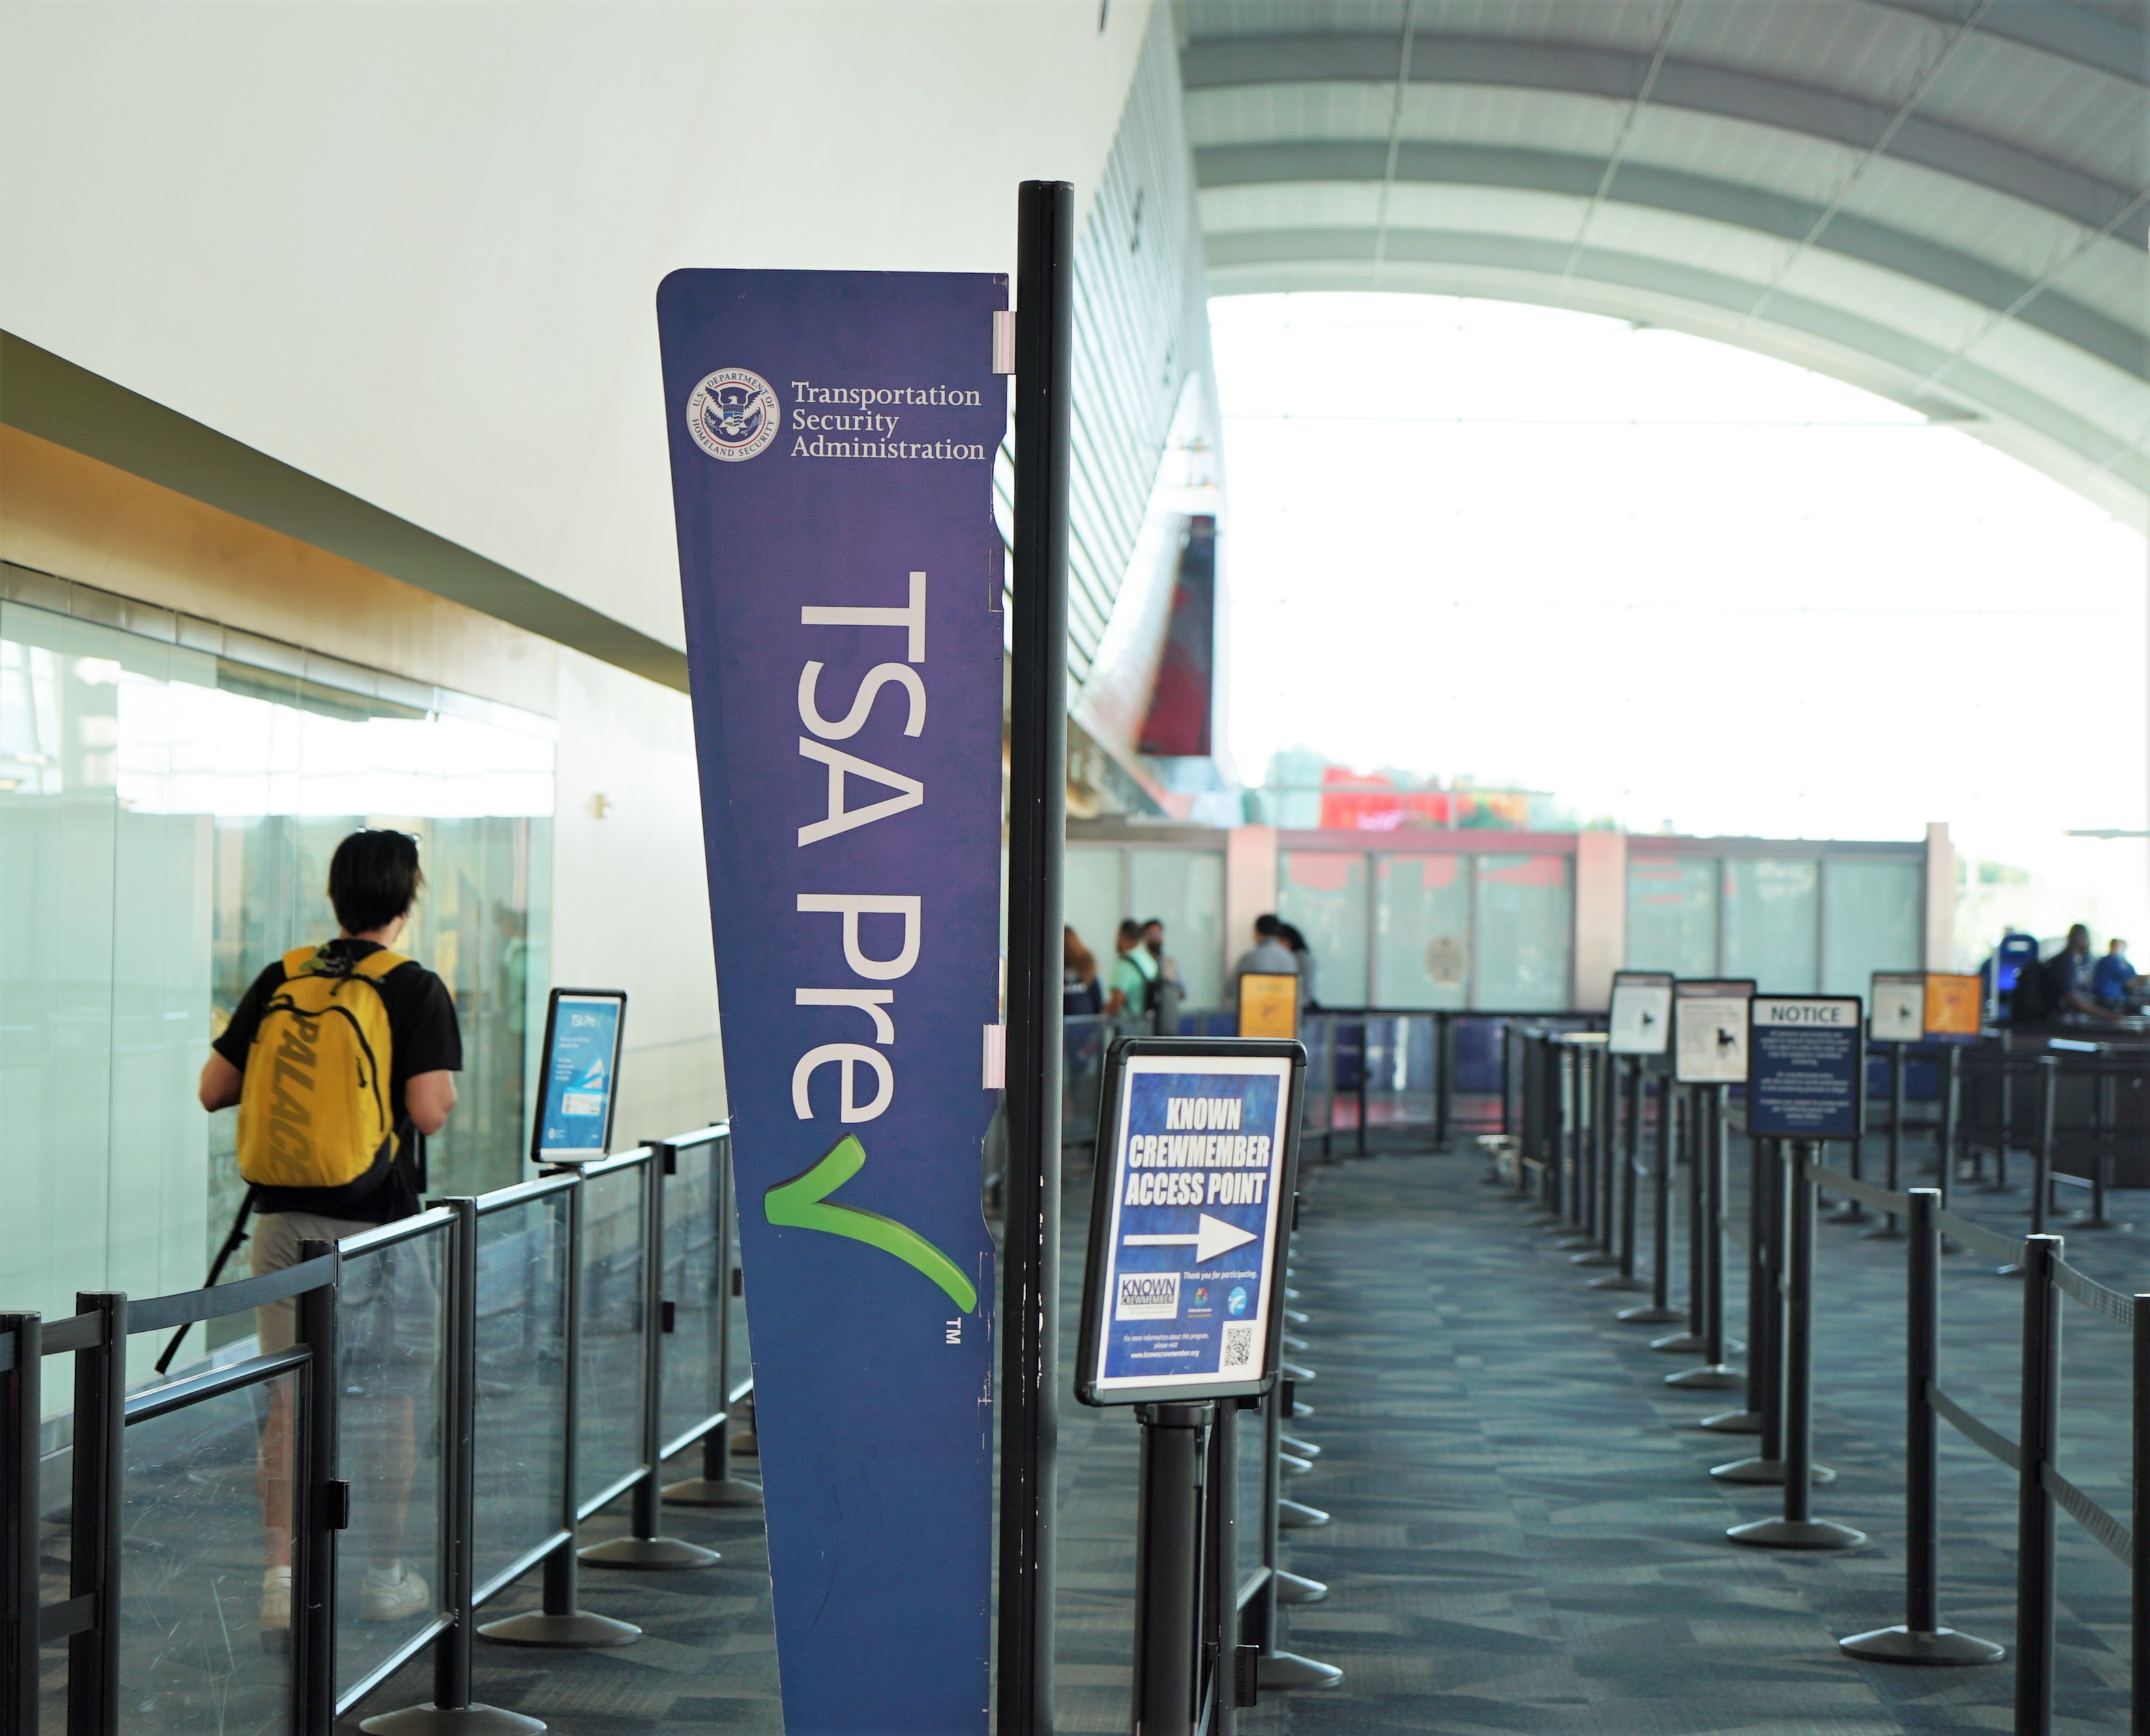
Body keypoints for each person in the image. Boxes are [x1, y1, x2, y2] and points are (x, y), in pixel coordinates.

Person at [198, 829, 462, 1645]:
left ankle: (281, 1578)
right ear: (406, 899)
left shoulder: (284, 974)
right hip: (374, 1227)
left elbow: (215, 1088)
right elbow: (428, 1110)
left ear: (335, 896)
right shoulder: (412, 986)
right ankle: (383, 1576)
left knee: (288, 1399)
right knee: (389, 1401)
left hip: (279, 1225)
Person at [2040, 924, 2122, 1023]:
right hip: (2060, 1019)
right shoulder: (2064, 963)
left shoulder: (2076, 961)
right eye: (2087, 937)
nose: (2089, 942)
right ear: (2078, 938)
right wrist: (2105, 1014)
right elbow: (2072, 1000)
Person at [1230, 914, 1300, 1008]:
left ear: (1257, 933)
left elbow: (1232, 990)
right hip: (1283, 1013)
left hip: (1254, 1013)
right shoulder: (1290, 958)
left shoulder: (1250, 958)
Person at [1104, 917, 1158, 1029]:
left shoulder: (1124, 963)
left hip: (1129, 1029)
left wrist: (1101, 1018)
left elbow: (1116, 1002)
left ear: (1122, 936)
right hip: (1148, 1027)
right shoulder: (1149, 960)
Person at [1140, 917, 1185, 1035]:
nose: (1155, 937)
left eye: (1158, 933)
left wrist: (1166, 992)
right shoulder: (1140, 962)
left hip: (1166, 1021)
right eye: (1151, 933)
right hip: (1143, 1023)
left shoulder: (1170, 963)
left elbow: (1182, 992)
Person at [1279, 920, 1319, 1009]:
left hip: (1302, 1009)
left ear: (1287, 941)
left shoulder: (1302, 958)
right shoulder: (1288, 958)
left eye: (1279, 942)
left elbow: (1306, 991)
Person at [2092, 937, 2141, 1009]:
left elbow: (2131, 973)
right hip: (2106, 1001)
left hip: (2107, 1000)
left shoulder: (2113, 961)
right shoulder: (2110, 961)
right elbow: (2128, 981)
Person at [1063, 925, 1102, 1016]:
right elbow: (1098, 1003)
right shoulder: (1087, 971)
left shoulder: (1087, 970)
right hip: (1087, 1026)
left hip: (1069, 1026)